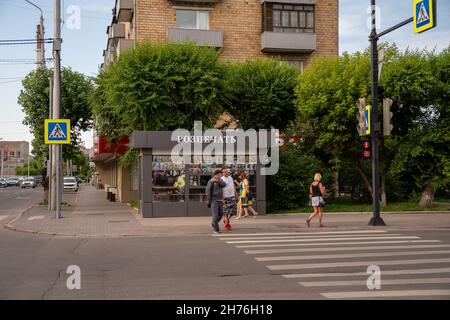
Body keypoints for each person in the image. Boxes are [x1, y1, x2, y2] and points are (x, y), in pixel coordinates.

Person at [206, 169, 226, 234]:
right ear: (216, 175)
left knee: (221, 214)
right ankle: (216, 229)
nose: (221, 175)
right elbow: (208, 191)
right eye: (220, 174)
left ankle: (213, 223)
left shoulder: (220, 180)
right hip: (214, 200)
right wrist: (209, 200)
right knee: (215, 215)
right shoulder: (211, 181)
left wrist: (218, 181)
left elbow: (224, 184)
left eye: (221, 174)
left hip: (220, 200)